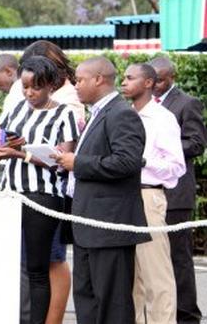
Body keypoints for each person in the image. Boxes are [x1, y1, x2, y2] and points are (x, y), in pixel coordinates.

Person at [54, 56, 150, 324]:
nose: (76, 86)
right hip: (88, 225)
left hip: (110, 227)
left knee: (112, 304)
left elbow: (127, 162)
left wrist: (78, 162)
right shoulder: (99, 112)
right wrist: (66, 162)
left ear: (99, 79)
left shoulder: (122, 113)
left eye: (81, 80)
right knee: (88, 299)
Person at [0, 56, 79, 323]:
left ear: (51, 85)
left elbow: (64, 161)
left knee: (37, 269)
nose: (29, 93)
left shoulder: (65, 113)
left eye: (35, 87)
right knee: (6, 265)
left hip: (43, 195)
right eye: (25, 86)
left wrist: (21, 155)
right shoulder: (15, 108)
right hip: (9, 193)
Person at [121, 63, 184, 324]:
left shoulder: (162, 118)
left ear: (148, 83)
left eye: (130, 78)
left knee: (156, 275)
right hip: (121, 197)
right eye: (123, 78)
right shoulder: (122, 114)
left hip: (148, 196)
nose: (123, 82)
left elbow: (176, 166)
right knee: (130, 278)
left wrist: (143, 162)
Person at [149, 56, 207, 324]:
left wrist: (163, 148)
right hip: (149, 191)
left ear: (171, 77)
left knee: (178, 258)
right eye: (151, 80)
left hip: (176, 195)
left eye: (159, 80)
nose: (155, 85)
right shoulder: (145, 104)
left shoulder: (186, 103)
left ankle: (187, 316)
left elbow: (196, 143)